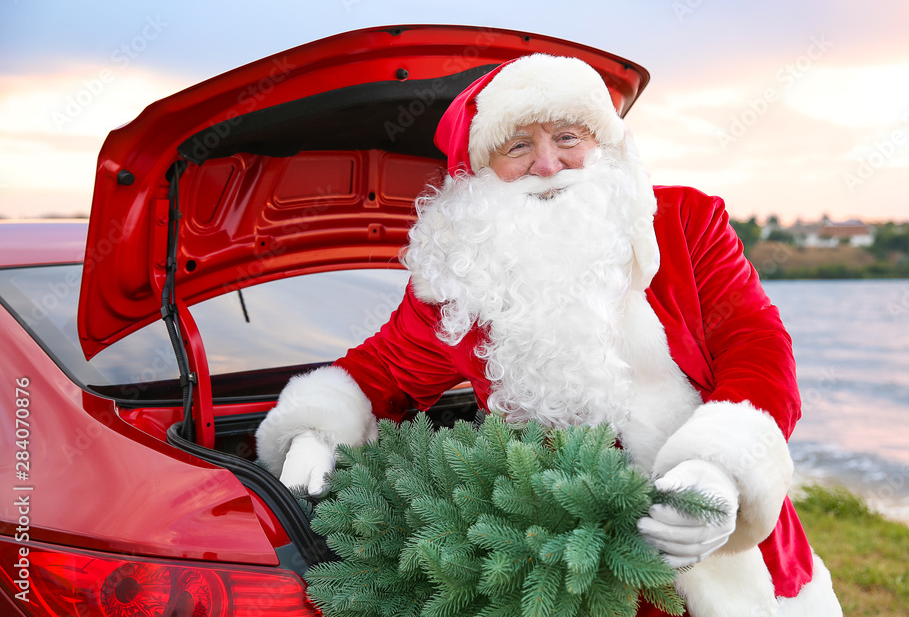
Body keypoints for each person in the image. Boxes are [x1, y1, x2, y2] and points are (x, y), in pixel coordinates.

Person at [256, 54, 842, 616]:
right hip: (574, 573)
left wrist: (721, 469)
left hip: (737, 547)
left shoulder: (687, 222)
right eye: (518, 146)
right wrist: (316, 428)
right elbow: (381, 371)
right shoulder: (461, 279)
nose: (547, 164)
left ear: (601, 145)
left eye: (568, 137)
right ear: (481, 173)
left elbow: (757, 345)